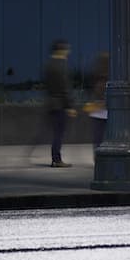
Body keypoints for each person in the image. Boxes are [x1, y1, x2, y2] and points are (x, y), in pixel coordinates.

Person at [43, 39, 76, 167]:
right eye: (67, 49)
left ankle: (55, 158)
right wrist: (70, 106)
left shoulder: (49, 65)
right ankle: (56, 159)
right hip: (61, 105)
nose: (68, 52)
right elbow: (65, 87)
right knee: (59, 133)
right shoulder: (62, 65)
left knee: (56, 132)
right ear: (61, 50)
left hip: (51, 103)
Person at [85, 52, 109, 148]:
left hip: (96, 110)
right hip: (107, 109)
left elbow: (89, 90)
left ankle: (97, 156)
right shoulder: (110, 77)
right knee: (106, 136)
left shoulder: (94, 75)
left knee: (98, 136)